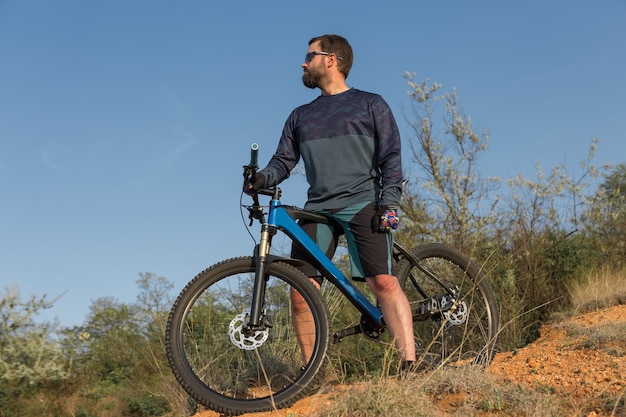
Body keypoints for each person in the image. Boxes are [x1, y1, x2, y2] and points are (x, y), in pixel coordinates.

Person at [245, 34, 416, 369]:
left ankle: (410, 363)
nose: (303, 62)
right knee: (300, 292)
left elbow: (391, 157)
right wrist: (261, 178)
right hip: (318, 209)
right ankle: (311, 374)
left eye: (310, 55)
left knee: (382, 281)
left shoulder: (371, 104)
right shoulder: (300, 116)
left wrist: (390, 202)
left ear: (331, 59)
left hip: (363, 203)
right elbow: (283, 162)